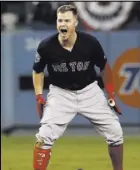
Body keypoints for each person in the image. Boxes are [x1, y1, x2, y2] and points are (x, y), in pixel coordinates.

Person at [32, 4, 123, 170]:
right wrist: (39, 95)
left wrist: (110, 94)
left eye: (67, 20)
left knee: (115, 132)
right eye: (60, 20)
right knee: (44, 136)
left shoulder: (90, 43)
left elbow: (104, 68)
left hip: (89, 91)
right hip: (61, 94)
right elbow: (37, 71)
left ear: (75, 23)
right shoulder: (46, 46)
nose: (62, 24)